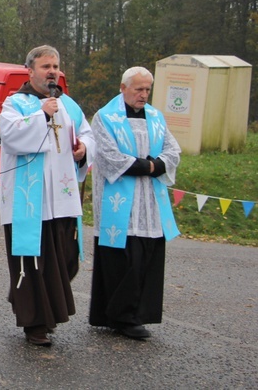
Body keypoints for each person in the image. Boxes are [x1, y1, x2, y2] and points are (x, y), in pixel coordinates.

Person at [0, 45, 96, 347]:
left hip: (62, 198)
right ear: (30, 70)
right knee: (34, 263)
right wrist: (41, 114)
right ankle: (35, 324)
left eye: (55, 66)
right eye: (45, 66)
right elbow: (11, 137)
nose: (52, 71)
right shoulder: (16, 103)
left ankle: (33, 304)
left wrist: (84, 149)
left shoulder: (69, 105)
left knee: (65, 260)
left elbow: (88, 133)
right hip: (30, 203)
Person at [89, 67, 181, 340]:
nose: (143, 95)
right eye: (138, 89)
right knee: (124, 258)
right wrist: (149, 165)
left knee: (146, 256)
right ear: (123, 87)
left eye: (147, 90)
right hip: (119, 202)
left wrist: (157, 164)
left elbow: (173, 149)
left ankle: (137, 313)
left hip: (149, 202)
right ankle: (120, 316)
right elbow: (108, 156)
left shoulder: (155, 117)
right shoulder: (105, 117)